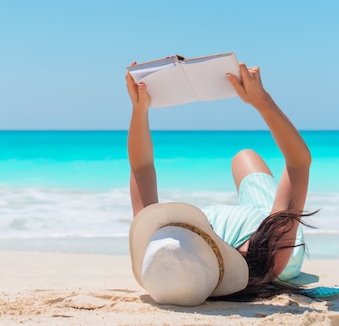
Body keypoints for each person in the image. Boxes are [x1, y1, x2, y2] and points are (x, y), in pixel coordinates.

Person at [125, 62, 315, 305]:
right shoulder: (267, 253)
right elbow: (298, 163)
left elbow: (141, 168)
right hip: (259, 227)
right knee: (246, 157)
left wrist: (139, 110)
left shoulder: (163, 252)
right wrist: (261, 101)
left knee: (243, 158)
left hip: (233, 231)